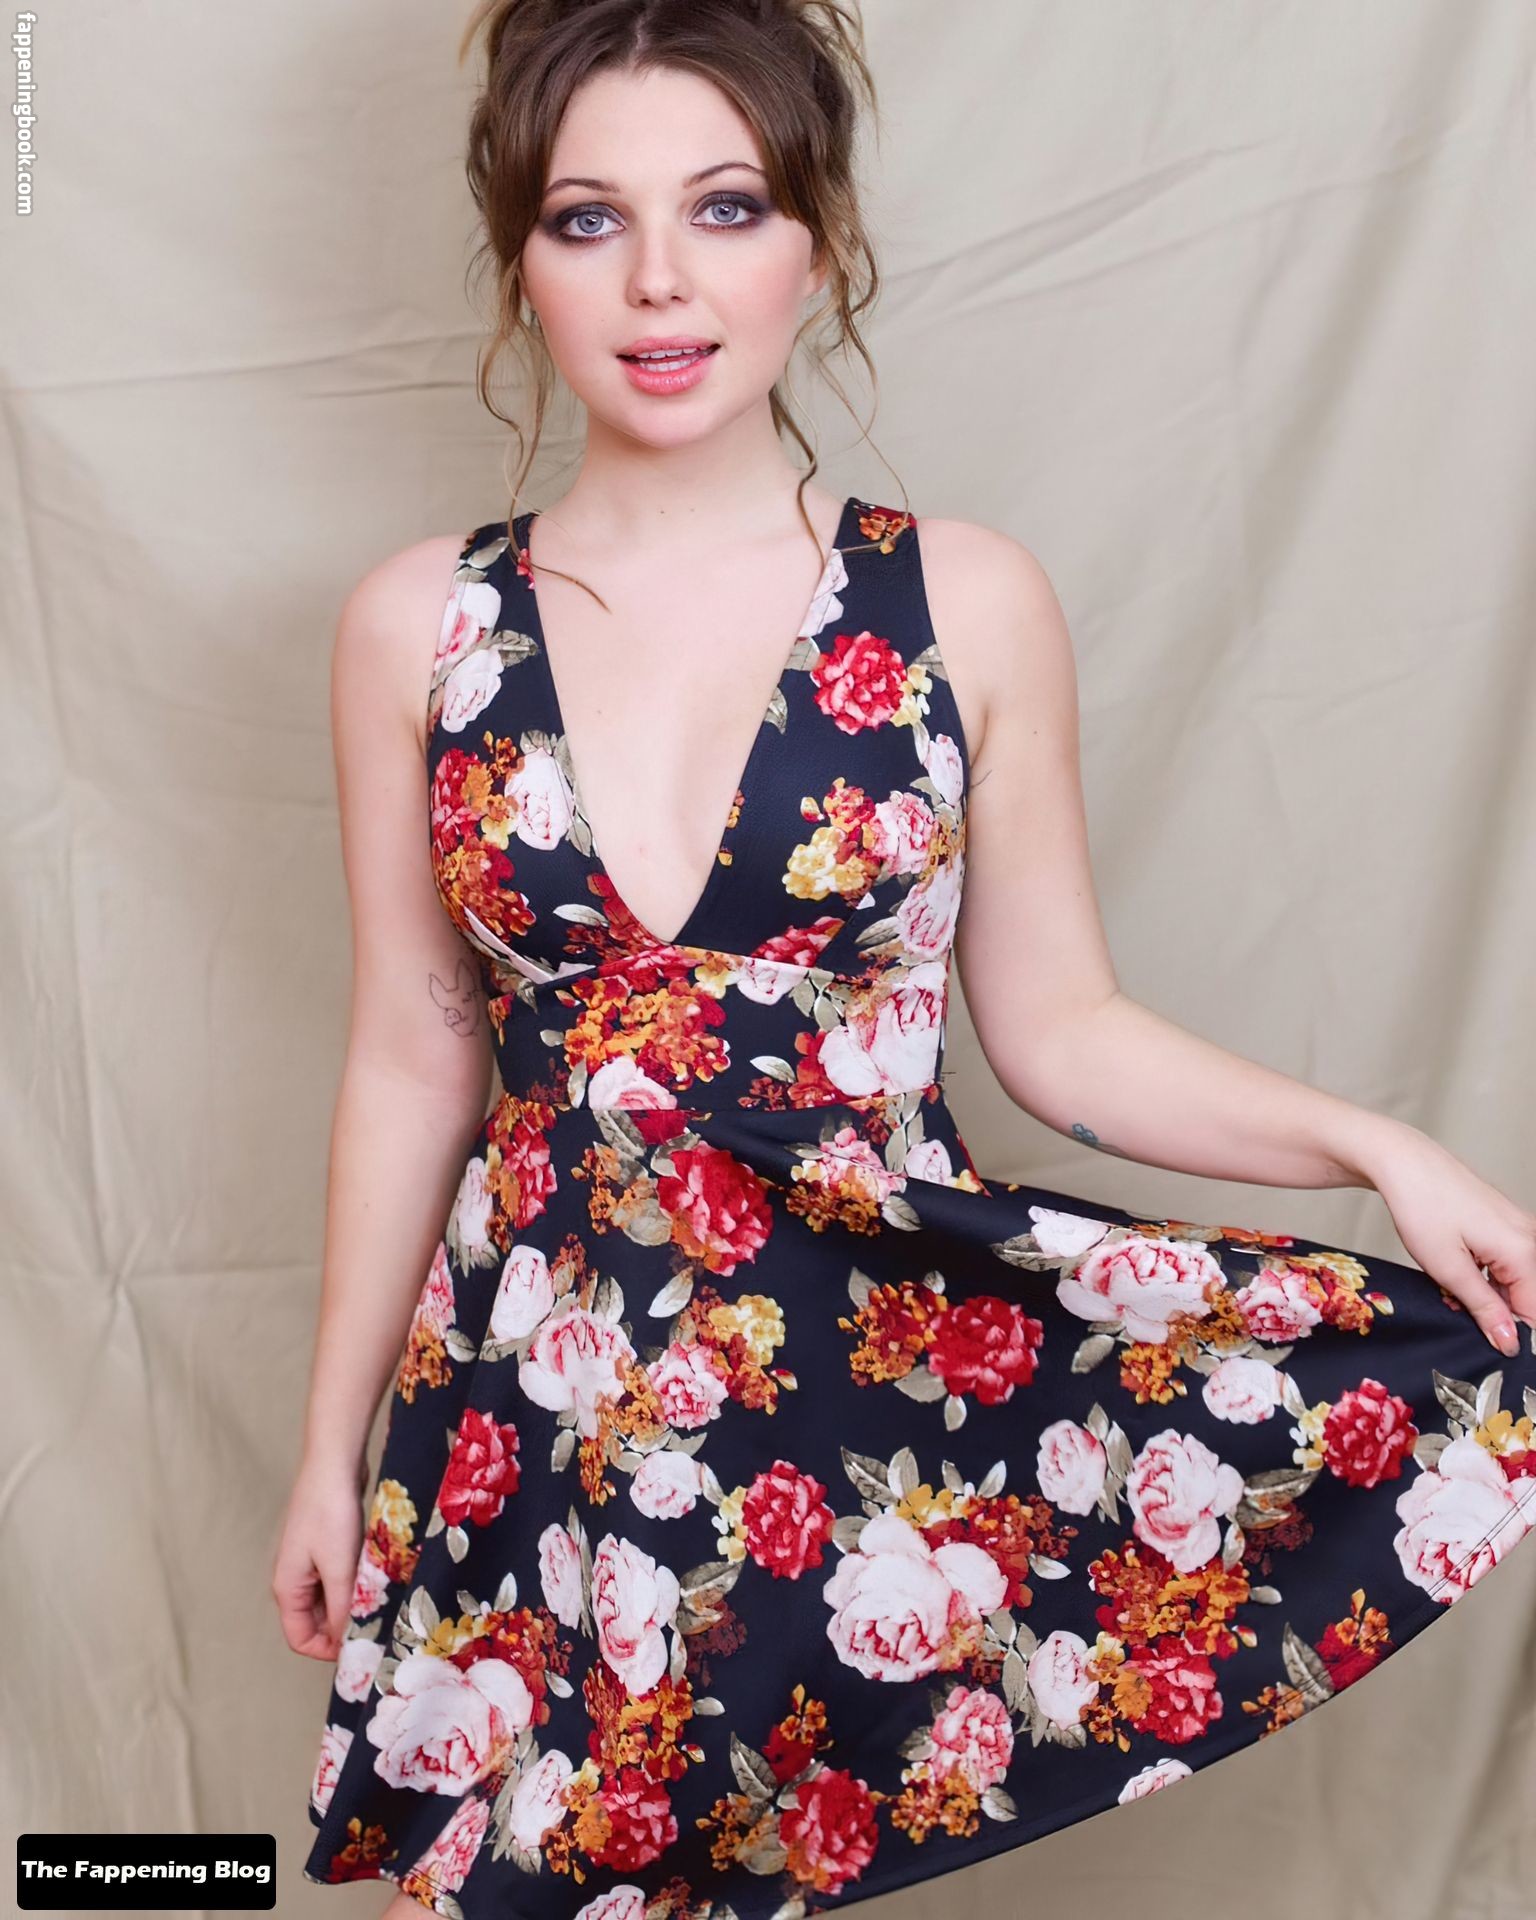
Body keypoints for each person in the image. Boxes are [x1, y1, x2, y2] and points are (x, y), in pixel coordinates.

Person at [275, 3, 1536, 1916]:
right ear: (522, 259)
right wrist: (329, 1449)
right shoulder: (416, 628)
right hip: (535, 1408)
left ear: (821, 239)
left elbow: (1065, 1033)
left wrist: (1384, 1149)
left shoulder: (962, 601)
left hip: (846, 1414)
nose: (662, 278)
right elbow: (411, 1057)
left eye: (726, 205)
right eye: (590, 219)